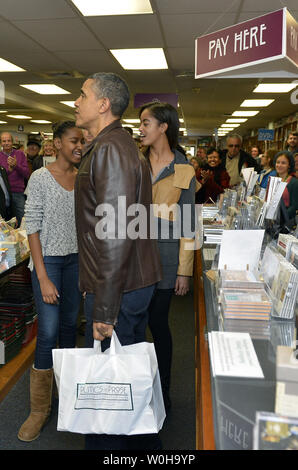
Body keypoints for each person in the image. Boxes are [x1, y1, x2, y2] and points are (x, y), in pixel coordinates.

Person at [74, 72, 162, 450]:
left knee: (113, 392)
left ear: (103, 104)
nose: (76, 102)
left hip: (118, 288)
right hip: (126, 283)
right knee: (123, 383)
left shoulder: (111, 149)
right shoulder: (115, 146)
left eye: (82, 95)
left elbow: (116, 232)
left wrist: (104, 309)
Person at [18, 121, 84, 443]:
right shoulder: (40, 178)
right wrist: (42, 277)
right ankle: (39, 409)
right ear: (57, 143)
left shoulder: (82, 179)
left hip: (75, 263)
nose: (79, 146)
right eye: (73, 141)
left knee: (70, 326)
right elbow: (32, 227)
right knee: (47, 331)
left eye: (81, 141)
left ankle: (67, 394)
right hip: (49, 263)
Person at [138, 101, 196, 412]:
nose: (141, 128)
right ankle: (134, 388)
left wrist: (184, 271)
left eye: (147, 122)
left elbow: (188, 221)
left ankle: (163, 390)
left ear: (164, 127)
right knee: (133, 324)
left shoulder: (185, 167)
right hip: (132, 258)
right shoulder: (134, 162)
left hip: (165, 258)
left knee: (158, 323)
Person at [0, 132, 29, 226]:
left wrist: (16, 166)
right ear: (1, 143)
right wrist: (9, 170)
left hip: (18, 192)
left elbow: (27, 174)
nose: (6, 143)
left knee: (23, 219)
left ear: (12, 142)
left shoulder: (20, 154)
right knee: (5, 222)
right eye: (4, 141)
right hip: (2, 195)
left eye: (8, 140)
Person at [274, 151, 298, 222]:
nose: (279, 165)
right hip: (273, 219)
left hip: (286, 220)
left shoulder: (294, 182)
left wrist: (279, 218)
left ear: (289, 165)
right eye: (278, 162)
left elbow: (294, 207)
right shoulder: (274, 179)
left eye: (283, 163)